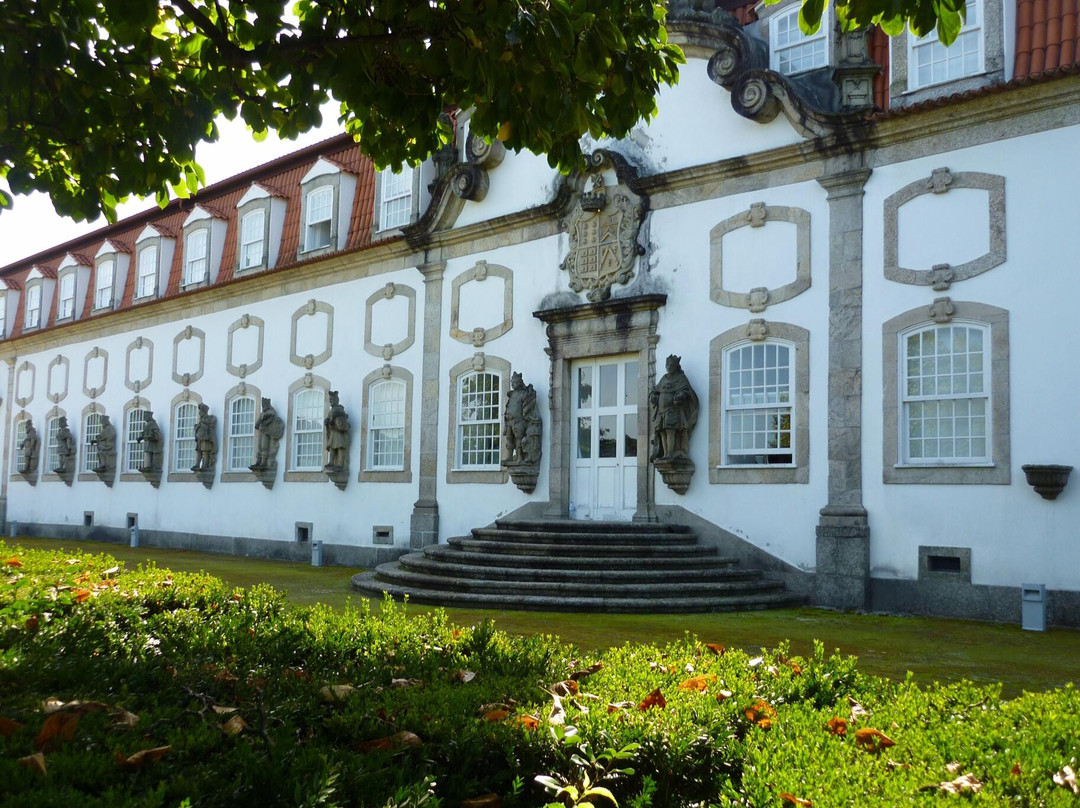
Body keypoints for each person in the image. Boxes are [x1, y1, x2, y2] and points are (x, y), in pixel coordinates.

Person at [649, 354, 698, 461]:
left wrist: (681, 396)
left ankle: (670, 453)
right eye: (667, 365)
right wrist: (653, 396)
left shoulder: (681, 378)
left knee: (670, 431)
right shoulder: (664, 378)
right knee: (662, 431)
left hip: (673, 411)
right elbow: (655, 390)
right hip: (661, 412)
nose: (669, 367)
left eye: (671, 365)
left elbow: (686, 391)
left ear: (676, 366)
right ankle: (665, 454)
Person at [503, 372, 542, 465]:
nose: (513, 384)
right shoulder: (511, 395)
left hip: (518, 421)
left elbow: (527, 407)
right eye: (512, 382)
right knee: (509, 438)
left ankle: (520, 457)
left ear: (520, 383)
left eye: (515, 382)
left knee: (518, 438)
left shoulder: (523, 394)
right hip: (509, 421)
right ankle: (509, 456)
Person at [250, 398, 285, 471]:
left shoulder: (271, 412)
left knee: (264, 446)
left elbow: (271, 421)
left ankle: (263, 462)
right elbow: (257, 425)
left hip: (266, 432)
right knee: (259, 447)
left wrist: (266, 420)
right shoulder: (262, 413)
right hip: (261, 431)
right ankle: (258, 461)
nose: (263, 406)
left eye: (264, 405)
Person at [323, 390, 350, 471]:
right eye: (330, 400)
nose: (330, 401)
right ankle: (331, 462)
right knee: (332, 448)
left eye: (332, 399)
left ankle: (340, 464)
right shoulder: (331, 410)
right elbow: (329, 419)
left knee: (340, 447)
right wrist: (326, 421)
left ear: (336, 400)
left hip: (339, 432)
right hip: (333, 432)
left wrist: (333, 419)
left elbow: (342, 417)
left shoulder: (339, 409)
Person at [191, 403, 217, 471]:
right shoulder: (201, 420)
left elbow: (211, 424)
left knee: (205, 451)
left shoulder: (209, 418)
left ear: (204, 411)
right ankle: (197, 464)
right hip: (200, 438)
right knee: (199, 451)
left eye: (201, 411)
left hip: (206, 438)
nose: (199, 413)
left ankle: (205, 464)